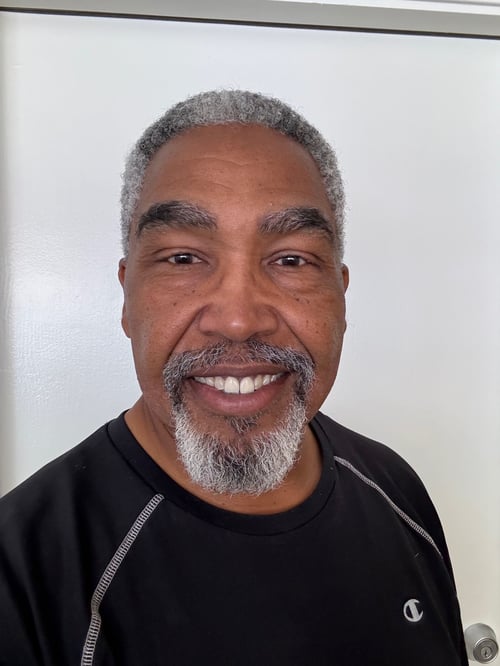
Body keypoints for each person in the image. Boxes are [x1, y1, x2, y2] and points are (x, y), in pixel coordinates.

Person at [0, 90, 467, 665]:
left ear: (341, 295)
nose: (239, 319)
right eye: (183, 258)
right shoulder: (22, 574)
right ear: (127, 296)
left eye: (291, 259)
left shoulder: (396, 490)